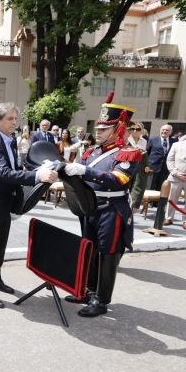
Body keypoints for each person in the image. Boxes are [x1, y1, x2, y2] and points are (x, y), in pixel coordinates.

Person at [0, 103, 58, 308]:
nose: (15, 122)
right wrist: (36, 176)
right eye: (10, 119)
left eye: (15, 118)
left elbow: (14, 167)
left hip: (5, 203)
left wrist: (35, 167)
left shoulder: (10, 140)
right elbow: (3, 173)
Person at [63, 97, 141, 317]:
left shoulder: (127, 152)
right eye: (97, 127)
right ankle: (88, 292)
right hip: (91, 208)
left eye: (104, 128)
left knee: (108, 255)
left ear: (118, 129)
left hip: (111, 209)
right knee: (91, 252)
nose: (97, 132)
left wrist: (85, 172)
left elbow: (118, 179)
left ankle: (102, 300)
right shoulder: (93, 152)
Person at [146, 124, 178, 193]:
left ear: (170, 132)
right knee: (150, 187)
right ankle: (148, 202)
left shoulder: (175, 142)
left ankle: (157, 203)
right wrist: (146, 165)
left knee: (161, 188)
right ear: (160, 131)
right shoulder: (152, 139)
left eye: (167, 130)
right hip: (153, 168)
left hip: (166, 168)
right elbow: (146, 153)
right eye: (163, 130)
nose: (164, 131)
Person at [128, 122, 149, 214]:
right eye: (133, 129)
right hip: (128, 166)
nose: (135, 131)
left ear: (142, 131)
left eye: (138, 129)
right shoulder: (127, 140)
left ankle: (133, 205)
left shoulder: (144, 141)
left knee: (137, 186)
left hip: (139, 167)